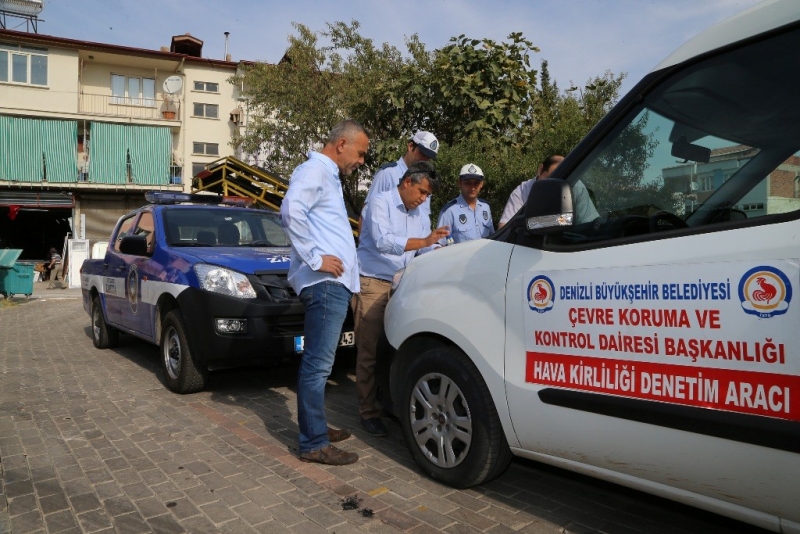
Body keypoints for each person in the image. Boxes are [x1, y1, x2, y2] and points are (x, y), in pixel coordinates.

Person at [280, 119, 370, 465]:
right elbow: (291, 211)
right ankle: (314, 442)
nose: (361, 161)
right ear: (342, 144)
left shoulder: (325, 174)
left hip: (332, 284)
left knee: (322, 363)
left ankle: (315, 427)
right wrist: (316, 258)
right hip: (325, 284)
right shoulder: (314, 170)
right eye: (360, 154)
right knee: (317, 366)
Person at [353, 161, 450, 436]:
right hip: (373, 283)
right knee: (369, 351)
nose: (423, 199)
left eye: (427, 196)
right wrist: (426, 241)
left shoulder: (419, 212)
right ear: (407, 182)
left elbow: (424, 250)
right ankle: (367, 412)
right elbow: (384, 241)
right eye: (421, 192)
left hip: (405, 285)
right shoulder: (380, 202)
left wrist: (442, 253)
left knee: (397, 348)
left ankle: (386, 403)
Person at [361, 131, 439, 228]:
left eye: (428, 157)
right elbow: (366, 214)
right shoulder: (388, 174)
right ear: (411, 147)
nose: (425, 160)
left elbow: (424, 218)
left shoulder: (425, 181)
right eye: (422, 154)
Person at [498, 154, 564, 228]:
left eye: (557, 179)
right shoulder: (522, 191)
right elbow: (504, 226)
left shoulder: (573, 188)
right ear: (540, 170)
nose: (552, 184)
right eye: (550, 178)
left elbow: (569, 220)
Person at [437, 163, 494, 244]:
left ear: (481, 184)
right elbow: (440, 244)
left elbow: (492, 237)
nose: (473, 187)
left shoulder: (485, 207)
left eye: (476, 183)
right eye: (467, 183)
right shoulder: (449, 211)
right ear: (459, 183)